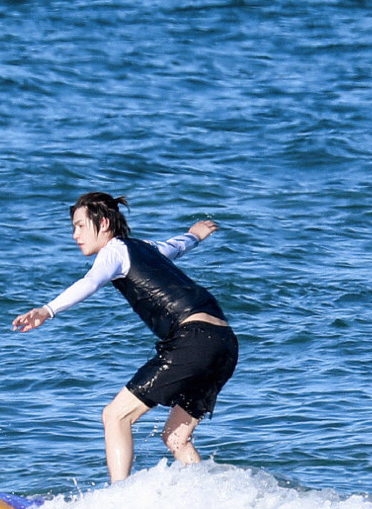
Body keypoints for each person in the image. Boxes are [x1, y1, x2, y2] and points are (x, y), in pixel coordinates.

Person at [12, 192, 238, 483]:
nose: (75, 236)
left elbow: (90, 282)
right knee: (176, 438)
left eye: (80, 226)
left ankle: (118, 499)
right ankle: (214, 499)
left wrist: (47, 310)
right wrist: (194, 235)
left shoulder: (114, 250)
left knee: (115, 416)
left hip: (193, 339)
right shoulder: (144, 247)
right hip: (223, 343)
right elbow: (175, 247)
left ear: (103, 223)